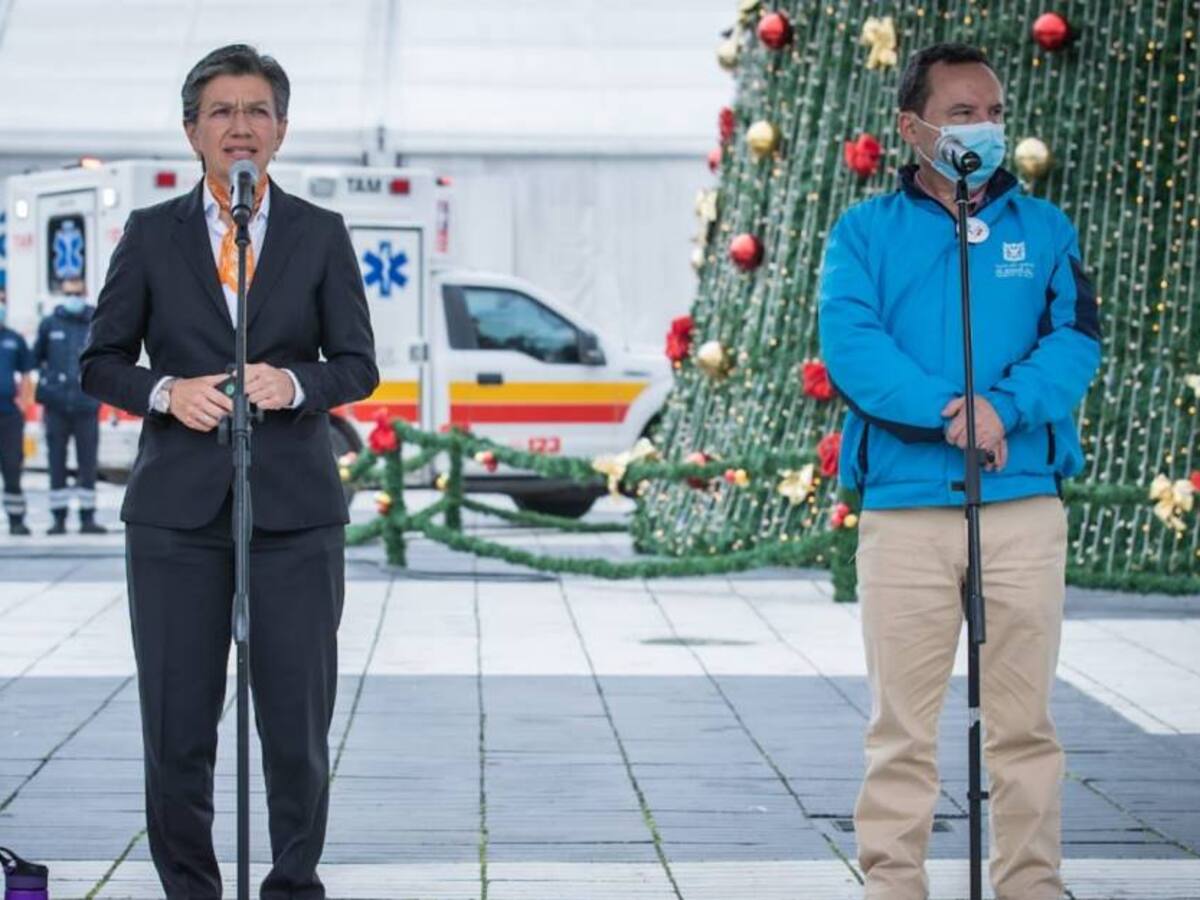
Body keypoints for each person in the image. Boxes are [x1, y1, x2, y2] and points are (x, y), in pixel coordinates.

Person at [80, 44, 378, 899]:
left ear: (280, 131)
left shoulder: (321, 234)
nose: (239, 126)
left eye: (256, 111)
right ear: (192, 133)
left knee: (296, 725)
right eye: (221, 112)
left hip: (295, 511)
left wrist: (294, 382)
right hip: (175, 517)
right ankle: (191, 891)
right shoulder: (150, 234)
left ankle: (291, 885)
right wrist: (167, 392)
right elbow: (100, 362)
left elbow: (357, 364)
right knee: (177, 727)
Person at [819, 43, 1101, 900]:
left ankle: (1030, 887)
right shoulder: (863, 233)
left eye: (993, 111)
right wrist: (955, 412)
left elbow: (1076, 341)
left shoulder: (1045, 230)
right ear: (913, 128)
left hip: (1021, 508)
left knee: (1025, 727)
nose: (985, 127)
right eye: (963, 113)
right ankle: (893, 886)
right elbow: (853, 346)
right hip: (906, 511)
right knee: (902, 728)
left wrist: (1004, 410)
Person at [32, 277, 106, 534]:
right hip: (56, 407)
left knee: (87, 464)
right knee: (56, 463)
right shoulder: (50, 324)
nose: (72, 297)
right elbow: (36, 359)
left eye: (76, 293)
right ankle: (59, 518)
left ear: (84, 292)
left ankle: (88, 518)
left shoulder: (94, 322)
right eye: (68, 293)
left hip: (86, 405)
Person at [0, 282, 35, 535]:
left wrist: (23, 405)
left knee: (13, 467)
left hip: (9, 416)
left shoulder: (13, 339)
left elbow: (26, 374)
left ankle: (16, 520)